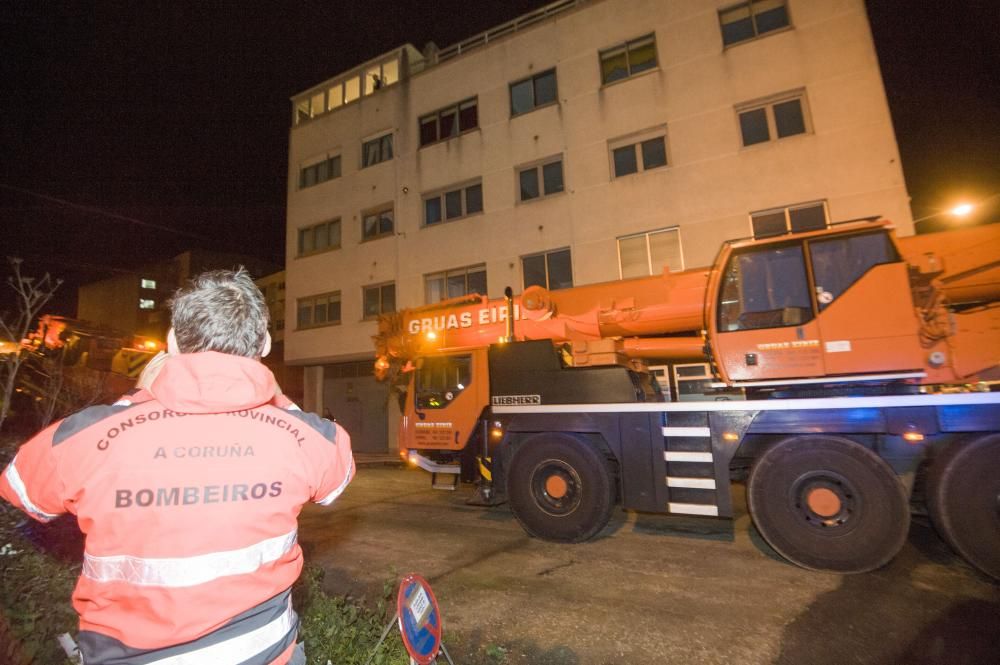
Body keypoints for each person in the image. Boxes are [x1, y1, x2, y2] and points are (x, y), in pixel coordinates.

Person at [0, 268, 354, 665]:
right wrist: (273, 398)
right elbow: (337, 475)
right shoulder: (305, 437)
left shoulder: (87, 435)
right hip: (265, 653)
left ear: (170, 342)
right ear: (266, 343)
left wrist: (137, 399)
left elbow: (21, 492)